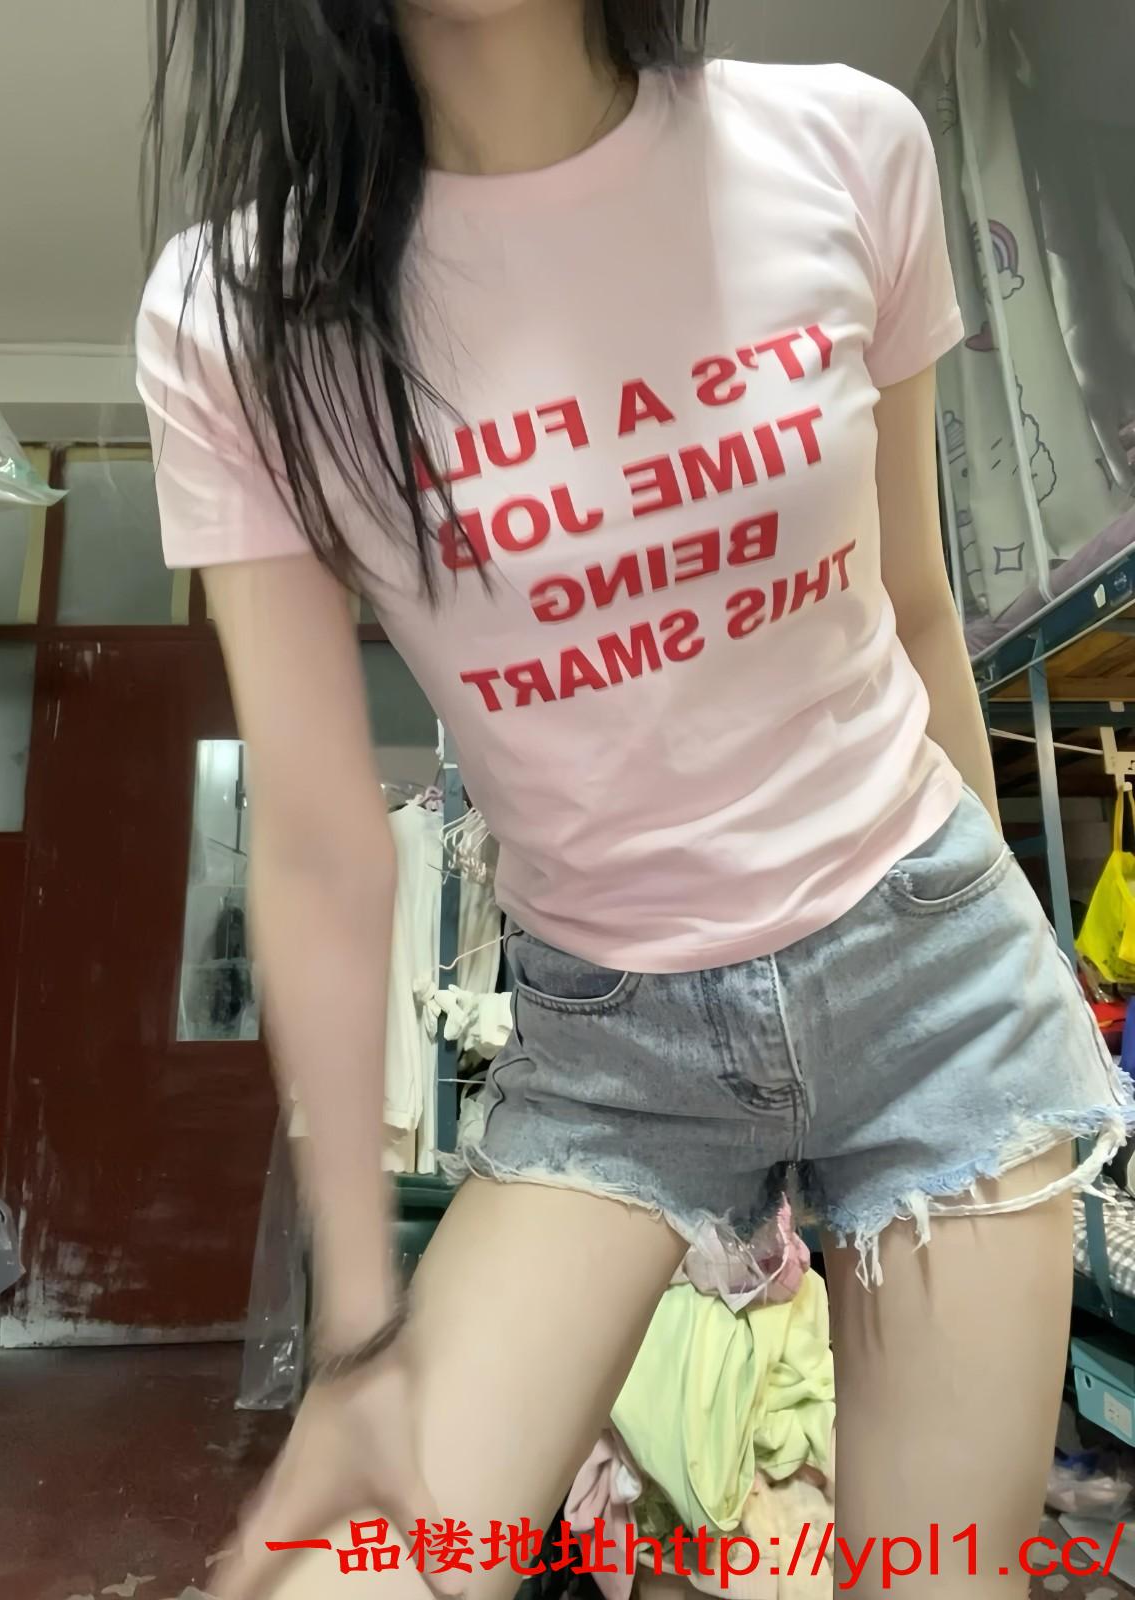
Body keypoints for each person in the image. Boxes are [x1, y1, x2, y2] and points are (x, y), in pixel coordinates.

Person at [136, 1, 1135, 1595]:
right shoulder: (238, 318)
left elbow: (915, 607)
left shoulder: (845, 147)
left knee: (939, 1574)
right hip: (614, 1050)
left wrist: (1008, 933)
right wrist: (358, 1337)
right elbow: (320, 845)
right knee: (351, 1570)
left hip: (932, 975)